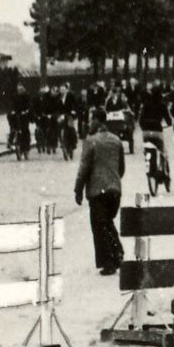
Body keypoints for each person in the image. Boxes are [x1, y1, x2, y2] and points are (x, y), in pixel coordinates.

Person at [74, 109, 127, 276]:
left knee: (99, 226)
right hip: (115, 190)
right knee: (107, 222)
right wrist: (114, 181)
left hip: (98, 191)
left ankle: (109, 262)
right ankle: (117, 254)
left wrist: (78, 189)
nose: (90, 123)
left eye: (92, 119)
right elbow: (121, 168)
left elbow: (84, 168)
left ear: (97, 121)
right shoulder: (116, 140)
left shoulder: (91, 141)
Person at [137, 83, 173, 187]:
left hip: (146, 132)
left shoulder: (146, 104)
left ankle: (148, 160)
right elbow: (168, 120)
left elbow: (140, 120)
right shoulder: (162, 105)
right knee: (163, 151)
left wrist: (144, 127)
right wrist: (168, 124)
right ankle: (165, 171)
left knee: (147, 148)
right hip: (157, 131)